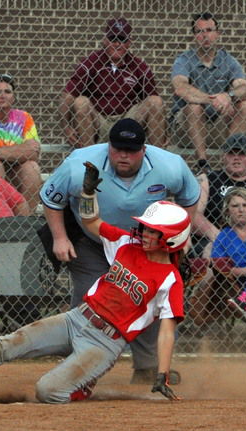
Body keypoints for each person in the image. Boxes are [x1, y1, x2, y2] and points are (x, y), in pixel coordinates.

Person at [0, 187, 189, 403]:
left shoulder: (170, 279)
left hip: (105, 343)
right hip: (76, 319)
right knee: (2, 345)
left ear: (171, 239)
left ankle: (82, 387)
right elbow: (91, 220)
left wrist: (162, 372)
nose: (144, 232)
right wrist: (89, 194)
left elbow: (166, 331)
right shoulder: (127, 243)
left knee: (48, 391)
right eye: (145, 227)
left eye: (154, 231)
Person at [40, 118, 200, 384]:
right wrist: (60, 238)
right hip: (90, 239)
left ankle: (147, 368)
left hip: (142, 243)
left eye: (132, 150)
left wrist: (179, 239)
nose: (124, 155)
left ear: (144, 150)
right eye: (117, 149)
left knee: (149, 298)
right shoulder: (80, 164)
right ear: (108, 146)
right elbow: (51, 199)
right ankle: (78, 369)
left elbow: (189, 199)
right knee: (91, 295)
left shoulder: (170, 166)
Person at [59, 18, 165, 148]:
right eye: (113, 39)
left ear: (129, 43)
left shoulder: (139, 67)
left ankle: (158, 158)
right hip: (98, 120)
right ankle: (88, 157)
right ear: (105, 40)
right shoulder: (91, 63)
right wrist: (66, 127)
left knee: (155, 101)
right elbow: (68, 95)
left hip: (128, 120)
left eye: (122, 39)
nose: (117, 44)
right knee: (80, 102)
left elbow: (152, 104)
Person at [171, 12, 246, 165]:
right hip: (186, 129)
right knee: (194, 107)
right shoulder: (184, 60)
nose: (204, 35)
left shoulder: (228, 61)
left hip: (218, 128)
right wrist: (213, 99)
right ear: (194, 36)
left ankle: (230, 160)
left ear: (218, 34)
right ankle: (203, 163)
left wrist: (229, 96)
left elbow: (245, 89)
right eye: (199, 31)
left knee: (245, 105)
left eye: (209, 30)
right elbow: (180, 88)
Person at [0, 74, 42, 212]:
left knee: (32, 168)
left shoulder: (24, 117)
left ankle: (25, 220)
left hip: (16, 169)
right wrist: (20, 150)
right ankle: (0, 217)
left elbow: (33, 153)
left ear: (14, 97)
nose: (2, 95)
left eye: (7, 91)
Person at [192, 133, 246, 256]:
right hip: (215, 238)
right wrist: (224, 239)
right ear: (223, 156)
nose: (236, 158)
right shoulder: (207, 179)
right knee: (211, 251)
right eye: (231, 153)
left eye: (242, 154)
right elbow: (194, 215)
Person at [210, 188, 246, 325]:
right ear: (228, 211)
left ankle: (245, 301)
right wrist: (245, 271)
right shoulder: (224, 236)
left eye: (245, 205)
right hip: (242, 281)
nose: (241, 210)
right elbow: (219, 266)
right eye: (235, 206)